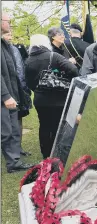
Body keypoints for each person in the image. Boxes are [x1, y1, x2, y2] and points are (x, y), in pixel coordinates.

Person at [25, 34, 79, 159]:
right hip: (58, 99)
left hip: (39, 99)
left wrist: (39, 89)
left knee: (44, 125)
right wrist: (65, 81)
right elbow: (73, 70)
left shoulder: (28, 60)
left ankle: (46, 154)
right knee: (58, 126)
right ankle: (57, 153)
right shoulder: (53, 56)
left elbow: (28, 82)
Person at [1, 12, 34, 173]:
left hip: (12, 94)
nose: (10, 25)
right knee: (6, 132)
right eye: (8, 21)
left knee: (13, 129)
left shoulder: (5, 45)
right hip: (4, 97)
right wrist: (5, 96)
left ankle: (14, 162)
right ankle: (12, 162)